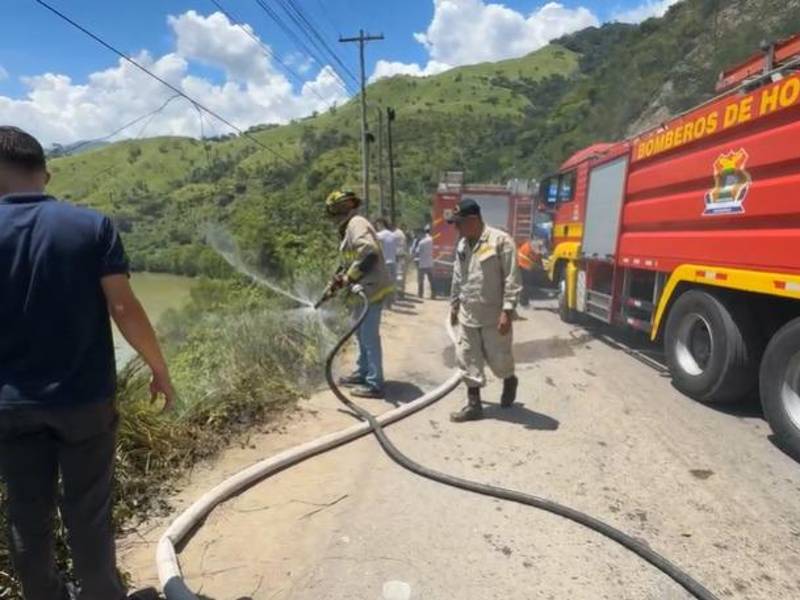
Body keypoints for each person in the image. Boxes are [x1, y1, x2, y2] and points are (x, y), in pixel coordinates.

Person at [0, 126, 176, 600]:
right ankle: (102, 594)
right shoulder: (91, 226)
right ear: (45, 172)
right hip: (85, 401)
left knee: (26, 515)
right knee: (88, 511)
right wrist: (158, 367)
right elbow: (123, 308)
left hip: (10, 406)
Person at [448, 198, 522, 422]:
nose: (457, 229)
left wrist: (507, 312)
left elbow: (512, 278)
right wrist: (454, 304)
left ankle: (509, 380)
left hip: (493, 315)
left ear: (473, 220)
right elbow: (458, 276)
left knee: (499, 361)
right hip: (468, 313)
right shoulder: (462, 245)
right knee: (467, 358)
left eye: (459, 224)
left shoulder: (501, 242)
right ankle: (474, 405)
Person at [325, 190, 394, 399]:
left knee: (369, 337)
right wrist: (336, 281)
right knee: (360, 335)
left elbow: (370, 252)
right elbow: (351, 260)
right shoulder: (349, 228)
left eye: (337, 210)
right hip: (360, 290)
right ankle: (363, 372)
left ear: (345, 208)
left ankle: (375, 384)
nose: (335, 215)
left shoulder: (356, 223)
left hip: (370, 289)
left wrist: (349, 278)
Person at [374, 217, 397, 307]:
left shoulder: (379, 235)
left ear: (380, 224)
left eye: (377, 225)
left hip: (384, 262)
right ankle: (389, 303)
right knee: (391, 283)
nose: (377, 226)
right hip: (393, 262)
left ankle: (383, 303)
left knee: (382, 284)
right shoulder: (393, 235)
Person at [415, 224, 436, 299]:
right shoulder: (434, 240)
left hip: (422, 264)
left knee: (421, 280)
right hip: (430, 263)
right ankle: (433, 295)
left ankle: (420, 294)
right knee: (432, 280)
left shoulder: (421, 242)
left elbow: (417, 252)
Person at [392, 222, 408, 299]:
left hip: (398, 257)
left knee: (398, 276)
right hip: (400, 257)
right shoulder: (400, 234)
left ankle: (399, 294)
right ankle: (400, 293)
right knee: (400, 276)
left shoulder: (396, 234)